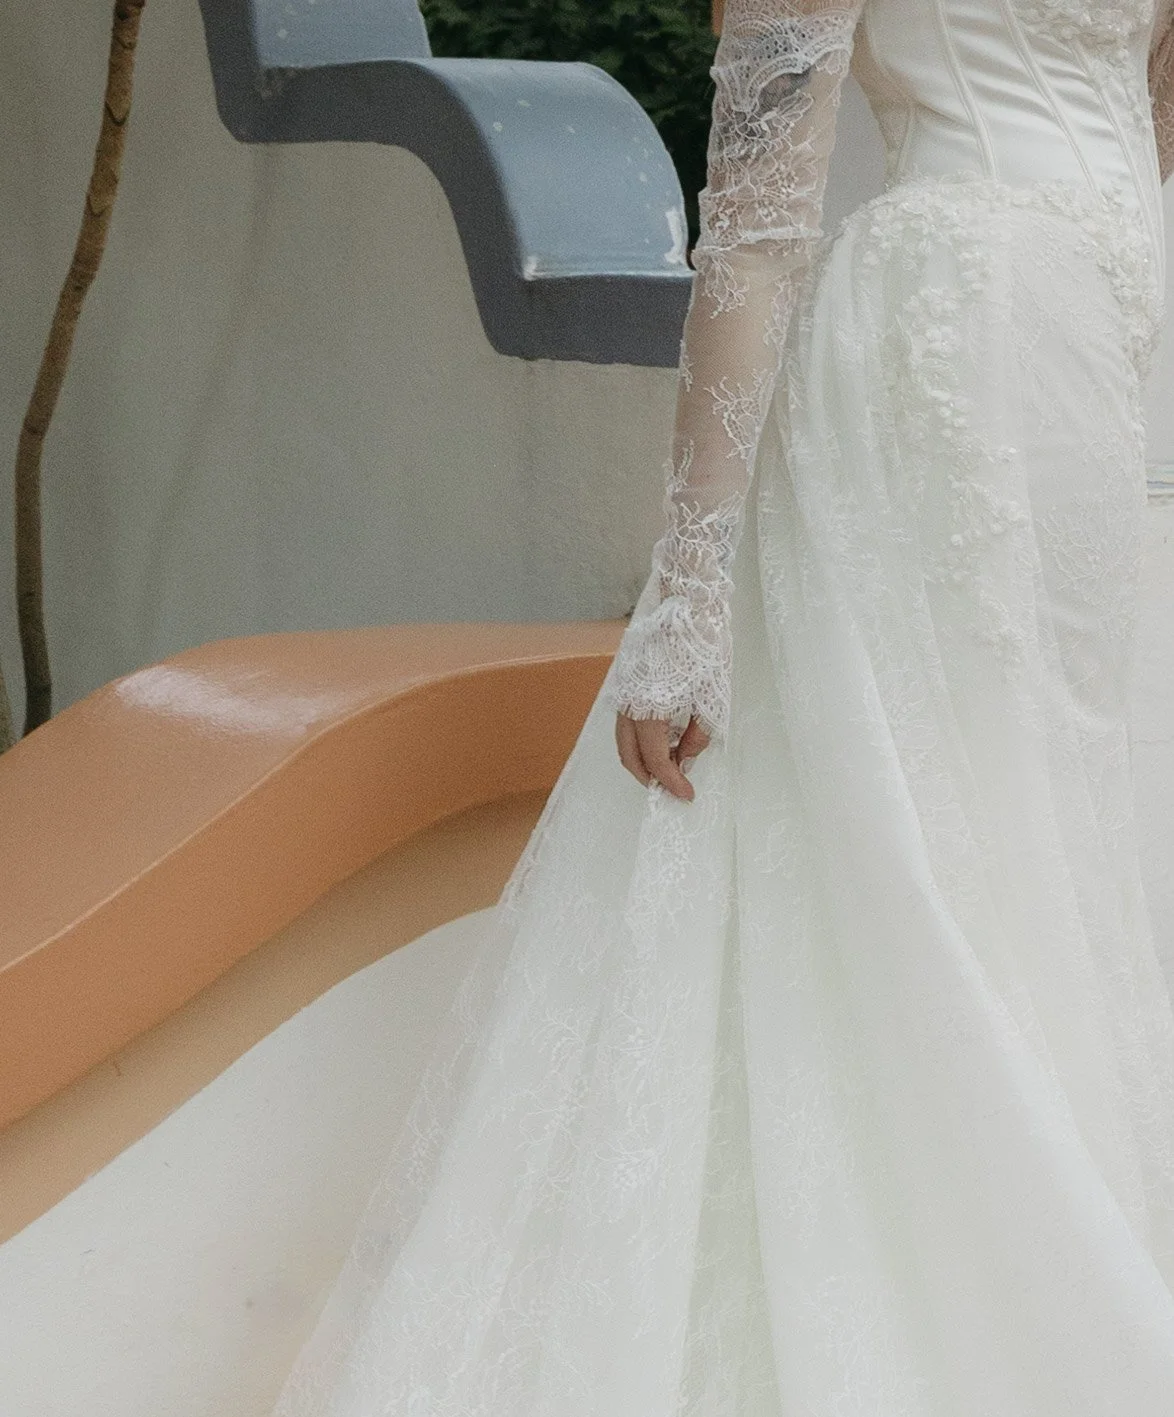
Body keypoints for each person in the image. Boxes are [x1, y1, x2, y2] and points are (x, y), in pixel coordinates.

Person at [272, 3, 1174, 1412]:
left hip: (1086, 381)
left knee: (1043, 837)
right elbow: (757, 221)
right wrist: (688, 600)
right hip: (965, 367)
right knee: (939, 844)